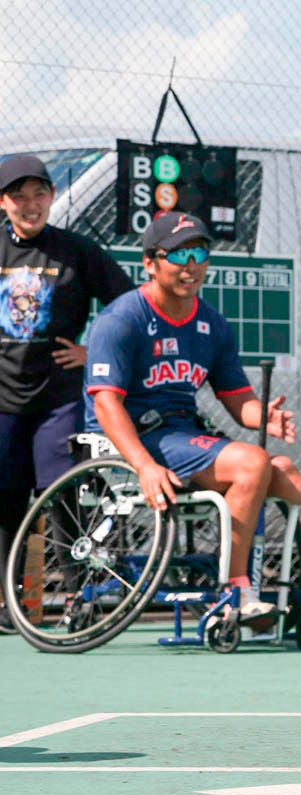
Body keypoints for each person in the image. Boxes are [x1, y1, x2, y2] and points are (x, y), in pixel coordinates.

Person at [84, 211, 301, 624]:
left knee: (294, 483)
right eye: (178, 254)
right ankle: (235, 592)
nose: (191, 265)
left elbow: (238, 399)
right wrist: (145, 467)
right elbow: (105, 405)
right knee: (255, 464)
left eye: (200, 252)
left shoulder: (212, 322)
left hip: (181, 435)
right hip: (132, 438)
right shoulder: (121, 320)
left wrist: (265, 417)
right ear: (151, 263)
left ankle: (253, 592)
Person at [0, 154, 133, 633]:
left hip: (57, 398)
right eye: (19, 196)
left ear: (52, 197)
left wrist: (90, 347)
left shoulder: (78, 251)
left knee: (59, 495)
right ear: (3, 202)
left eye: (39, 194)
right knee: (7, 498)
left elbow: (126, 305)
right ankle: (15, 605)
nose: (30, 204)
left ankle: (79, 594)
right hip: (3, 400)